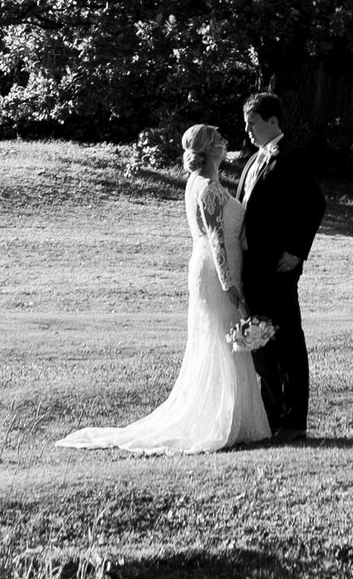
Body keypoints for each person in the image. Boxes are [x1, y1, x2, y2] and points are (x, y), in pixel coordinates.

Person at [60, 122, 270, 454]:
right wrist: (230, 282)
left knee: (220, 340)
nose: (225, 141)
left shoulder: (201, 183)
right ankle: (220, 421)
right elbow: (216, 238)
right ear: (210, 149)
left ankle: (234, 417)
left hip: (211, 266)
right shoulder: (207, 188)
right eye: (219, 139)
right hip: (216, 271)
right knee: (219, 341)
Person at [236, 87, 324, 442]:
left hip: (277, 266)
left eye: (253, 123)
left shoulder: (292, 156)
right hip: (251, 267)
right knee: (261, 343)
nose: (248, 130)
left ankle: (294, 421)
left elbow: (314, 204)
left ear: (273, 121)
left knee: (287, 341)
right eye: (246, 124)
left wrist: (296, 251)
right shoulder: (253, 159)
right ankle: (270, 415)